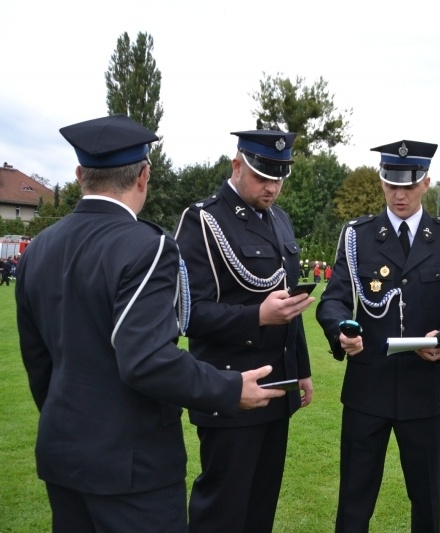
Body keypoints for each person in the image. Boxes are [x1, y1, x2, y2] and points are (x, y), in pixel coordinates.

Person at [15, 114, 283, 532]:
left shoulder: (39, 248)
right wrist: (229, 388)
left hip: (64, 455)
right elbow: (145, 360)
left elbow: (40, 363)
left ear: (80, 174)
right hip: (134, 466)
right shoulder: (148, 246)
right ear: (144, 175)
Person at [316, 139, 440, 533]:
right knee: (354, 500)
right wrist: (342, 331)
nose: (399, 194)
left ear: (426, 183)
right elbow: (333, 300)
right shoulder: (358, 236)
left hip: (426, 392)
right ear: (382, 183)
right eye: (392, 185)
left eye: (409, 185)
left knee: (426, 502)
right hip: (367, 390)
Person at [174, 128, 314, 532]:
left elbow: (288, 304)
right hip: (229, 388)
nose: (272, 187)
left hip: (277, 384)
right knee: (222, 509)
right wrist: (256, 317)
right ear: (237, 166)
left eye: (279, 177)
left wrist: (301, 368)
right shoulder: (203, 219)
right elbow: (189, 314)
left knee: (260, 508)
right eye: (262, 176)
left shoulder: (280, 220)